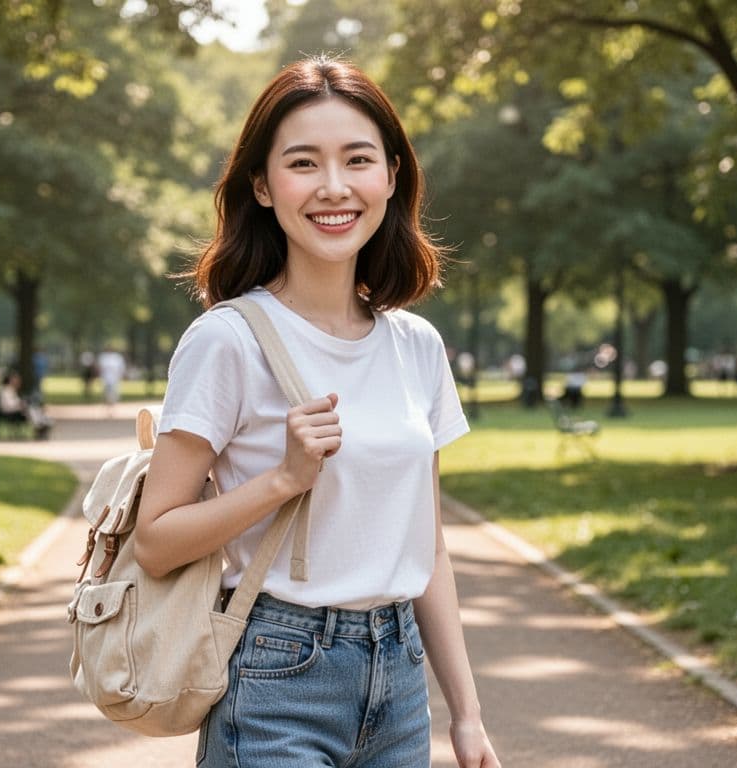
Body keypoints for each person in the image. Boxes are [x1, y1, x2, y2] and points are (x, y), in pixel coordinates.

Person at [134, 56, 501, 768]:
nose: (335, 187)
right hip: (276, 676)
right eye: (304, 163)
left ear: (391, 177)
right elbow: (156, 539)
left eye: (357, 159)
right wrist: (281, 479)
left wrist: (467, 712)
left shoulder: (415, 346)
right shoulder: (227, 341)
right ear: (264, 187)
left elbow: (429, 550)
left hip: (398, 682)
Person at [0, 370, 52, 439]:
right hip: (10, 413)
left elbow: (15, 402)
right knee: (31, 409)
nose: (18, 382)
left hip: (15, 411)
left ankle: (42, 423)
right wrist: (21, 404)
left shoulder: (10, 390)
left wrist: (22, 403)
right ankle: (40, 425)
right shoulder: (5, 390)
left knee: (33, 409)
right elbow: (8, 405)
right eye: (16, 379)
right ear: (10, 380)